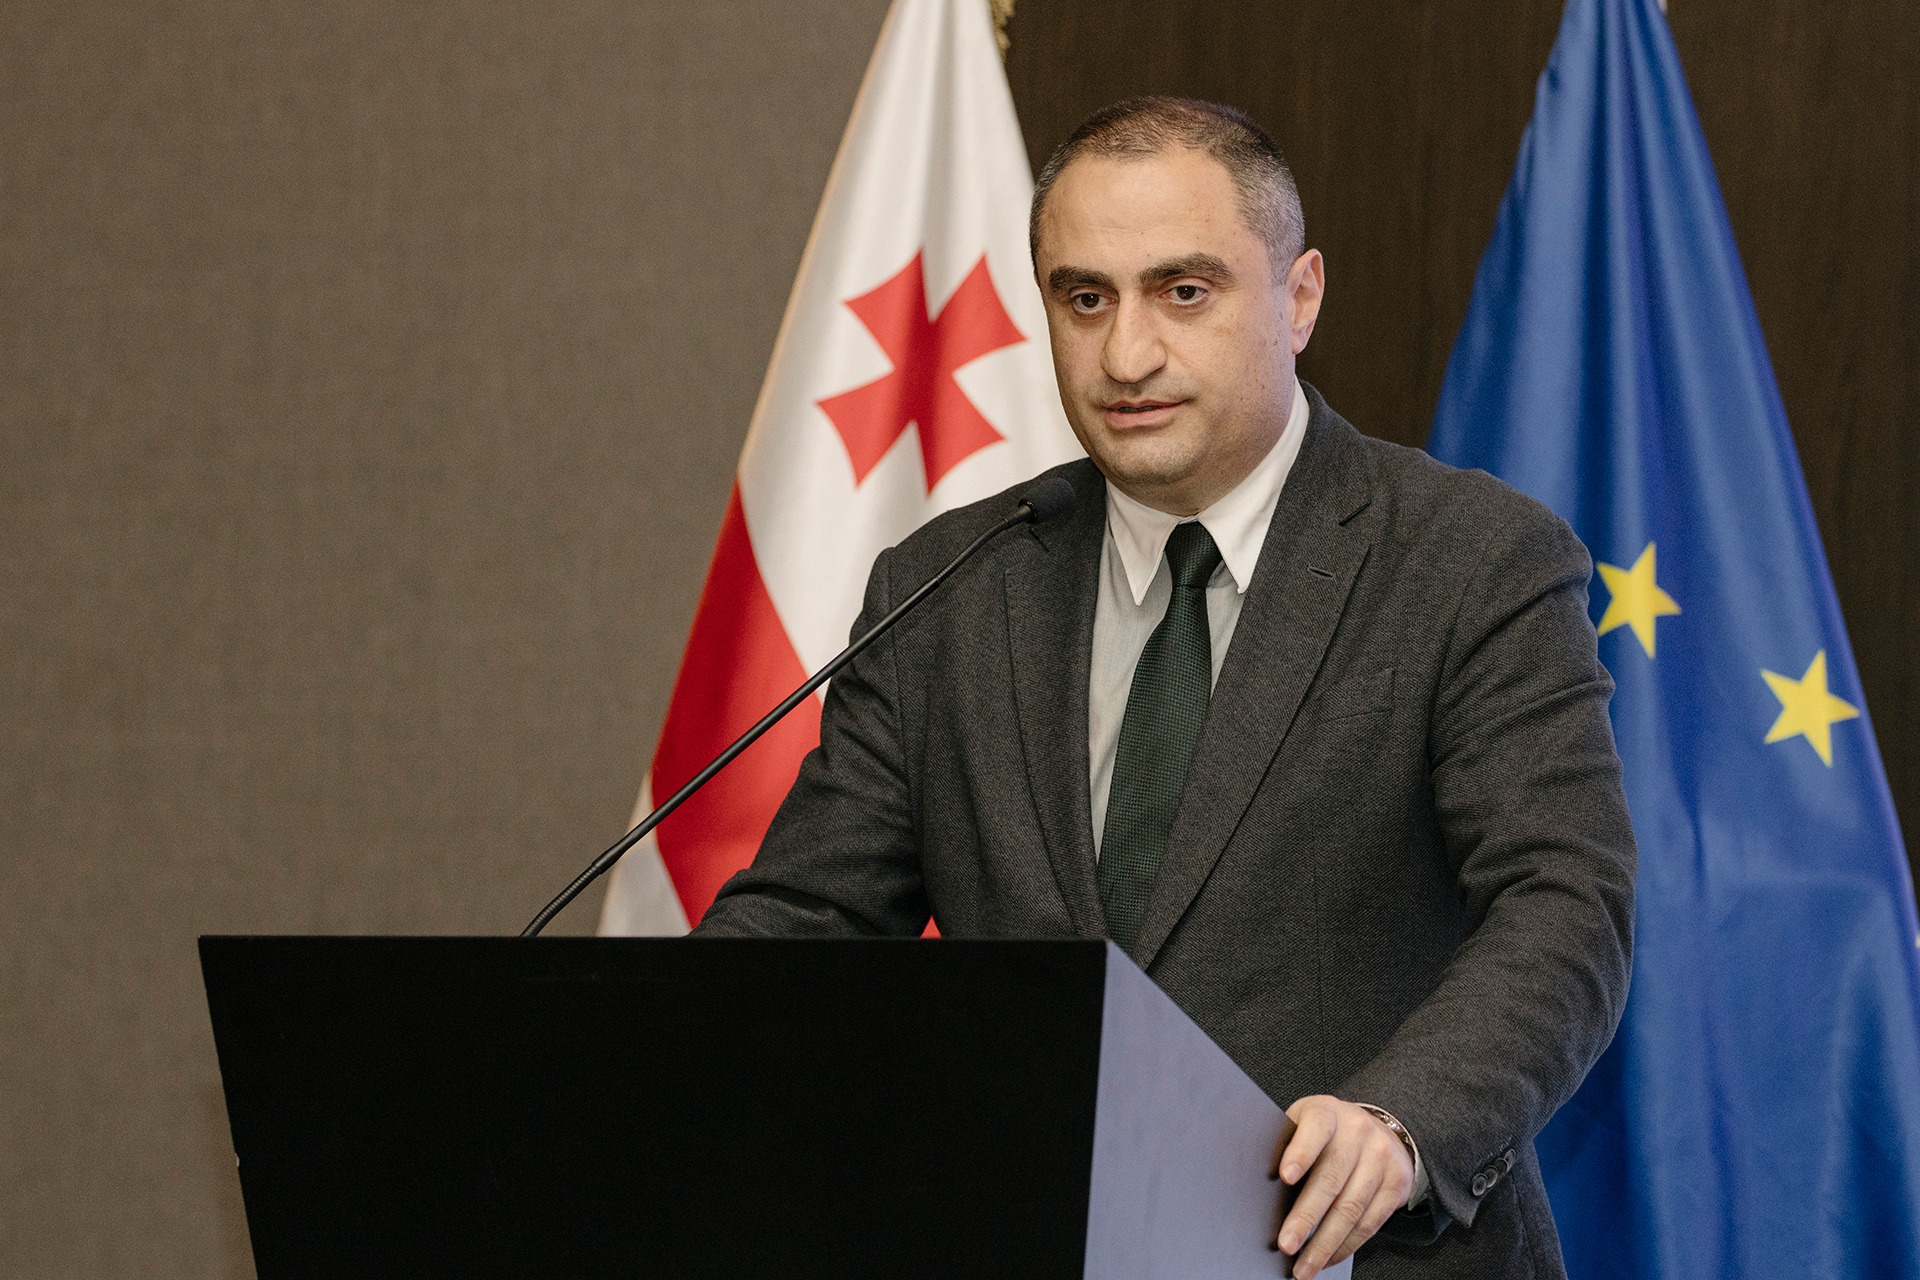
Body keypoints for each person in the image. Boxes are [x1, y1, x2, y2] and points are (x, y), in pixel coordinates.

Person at [694, 97, 1635, 1280]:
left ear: (1300, 297)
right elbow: (810, 921)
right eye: (1085, 298)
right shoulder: (946, 586)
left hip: (1361, 1256)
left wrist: (1400, 1123)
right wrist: (627, 1037)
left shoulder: (1471, 559)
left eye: (1183, 292)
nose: (1126, 354)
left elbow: (1564, 903)